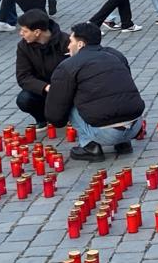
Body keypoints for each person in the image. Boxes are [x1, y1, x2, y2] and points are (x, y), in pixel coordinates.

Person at [44, 22, 147, 162]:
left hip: (105, 132)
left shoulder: (68, 66)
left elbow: (56, 110)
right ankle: (122, 144)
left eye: (71, 41)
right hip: (135, 126)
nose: (68, 46)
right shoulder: (116, 55)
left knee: (68, 98)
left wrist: (58, 121)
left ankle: (89, 147)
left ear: (80, 44)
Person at [14, 9, 68, 126]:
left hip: (67, 89)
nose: (21, 34)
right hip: (43, 90)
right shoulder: (23, 46)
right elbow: (23, 77)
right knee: (24, 99)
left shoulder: (66, 41)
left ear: (37, 32)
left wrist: (62, 87)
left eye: (25, 31)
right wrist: (45, 87)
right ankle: (42, 118)